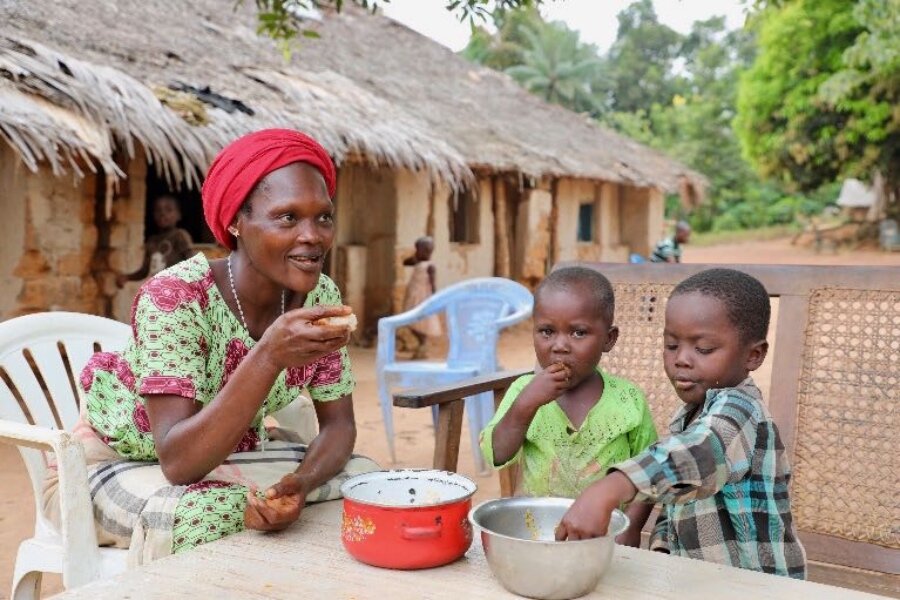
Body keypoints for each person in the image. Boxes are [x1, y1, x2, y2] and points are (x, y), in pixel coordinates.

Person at [43, 128, 378, 564]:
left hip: (234, 454)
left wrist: (301, 482)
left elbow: (338, 427)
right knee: (208, 511)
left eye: (324, 217)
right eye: (288, 218)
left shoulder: (319, 298)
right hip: (114, 461)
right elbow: (179, 464)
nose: (313, 236)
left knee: (367, 479)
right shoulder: (177, 297)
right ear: (237, 222)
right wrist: (270, 354)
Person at [555, 269, 807, 579]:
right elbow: (676, 504)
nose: (682, 359)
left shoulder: (740, 412)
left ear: (753, 356)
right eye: (672, 345)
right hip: (699, 581)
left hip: (755, 586)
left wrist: (610, 488)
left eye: (703, 349)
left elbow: (697, 454)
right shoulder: (691, 414)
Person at [479, 266, 658, 547]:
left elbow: (649, 470)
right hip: (536, 532)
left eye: (578, 333)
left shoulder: (628, 399)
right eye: (547, 331)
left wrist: (631, 527)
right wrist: (525, 405)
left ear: (609, 339)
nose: (559, 346)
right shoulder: (522, 392)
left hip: (604, 533)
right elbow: (496, 454)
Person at [116, 194, 195, 287]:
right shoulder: (152, 241)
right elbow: (144, 271)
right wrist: (127, 278)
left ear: (178, 215)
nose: (162, 213)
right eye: (158, 210)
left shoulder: (180, 235)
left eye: (168, 210)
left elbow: (192, 262)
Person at [402, 236, 441, 359]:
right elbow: (405, 262)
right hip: (413, 296)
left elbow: (433, 284)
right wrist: (415, 256)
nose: (416, 252)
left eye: (418, 250)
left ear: (426, 251)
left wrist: (434, 299)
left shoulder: (430, 267)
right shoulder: (418, 262)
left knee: (420, 322)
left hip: (422, 297)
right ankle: (421, 345)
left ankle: (422, 345)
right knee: (409, 320)